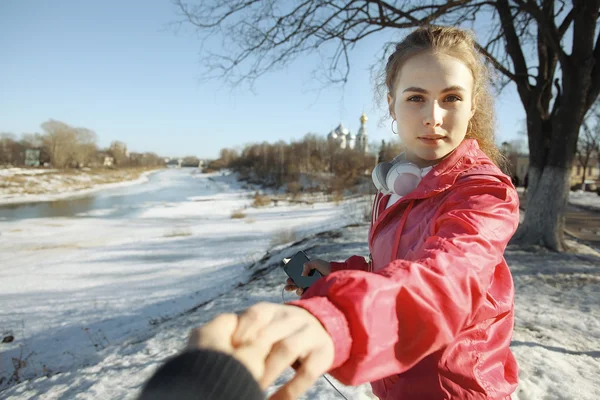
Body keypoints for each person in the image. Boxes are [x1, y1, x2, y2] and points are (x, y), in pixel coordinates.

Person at [192, 25, 521, 400]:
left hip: (457, 391)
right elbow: (399, 266)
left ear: (473, 105)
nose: (433, 116)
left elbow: (447, 277)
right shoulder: (398, 186)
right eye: (416, 97)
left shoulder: (482, 192)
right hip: (397, 384)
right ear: (391, 104)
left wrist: (337, 318)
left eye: (451, 98)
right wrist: (341, 273)